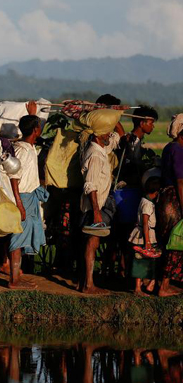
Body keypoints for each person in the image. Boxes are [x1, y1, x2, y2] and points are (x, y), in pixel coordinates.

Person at [79, 122, 123, 294]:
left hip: (98, 204)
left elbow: (118, 136)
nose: (108, 136)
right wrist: (97, 212)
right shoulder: (95, 155)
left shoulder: (101, 150)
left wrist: (114, 116)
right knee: (92, 243)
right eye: (105, 133)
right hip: (94, 206)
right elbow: (90, 185)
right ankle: (89, 284)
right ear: (97, 135)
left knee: (91, 243)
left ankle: (85, 283)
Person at [7, 113, 48, 289]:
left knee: (23, 238)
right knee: (18, 238)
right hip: (23, 197)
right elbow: (14, 177)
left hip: (29, 197)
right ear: (36, 130)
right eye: (39, 126)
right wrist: (19, 204)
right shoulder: (22, 150)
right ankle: (14, 280)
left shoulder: (30, 147)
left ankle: (17, 276)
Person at [157, 114, 183, 296]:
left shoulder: (169, 147)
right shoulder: (179, 150)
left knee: (167, 240)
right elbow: (181, 181)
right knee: (175, 241)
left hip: (165, 198)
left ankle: (161, 283)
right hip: (174, 199)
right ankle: (164, 287)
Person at [129, 176, 162, 295]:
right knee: (140, 260)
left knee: (147, 260)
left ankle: (146, 283)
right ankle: (138, 288)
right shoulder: (147, 204)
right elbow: (145, 222)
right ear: (156, 192)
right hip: (144, 235)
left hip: (147, 234)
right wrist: (147, 241)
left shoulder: (145, 201)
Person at [119, 106, 158, 188]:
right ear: (142, 124)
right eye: (151, 123)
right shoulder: (132, 142)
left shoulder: (135, 140)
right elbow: (134, 165)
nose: (153, 126)